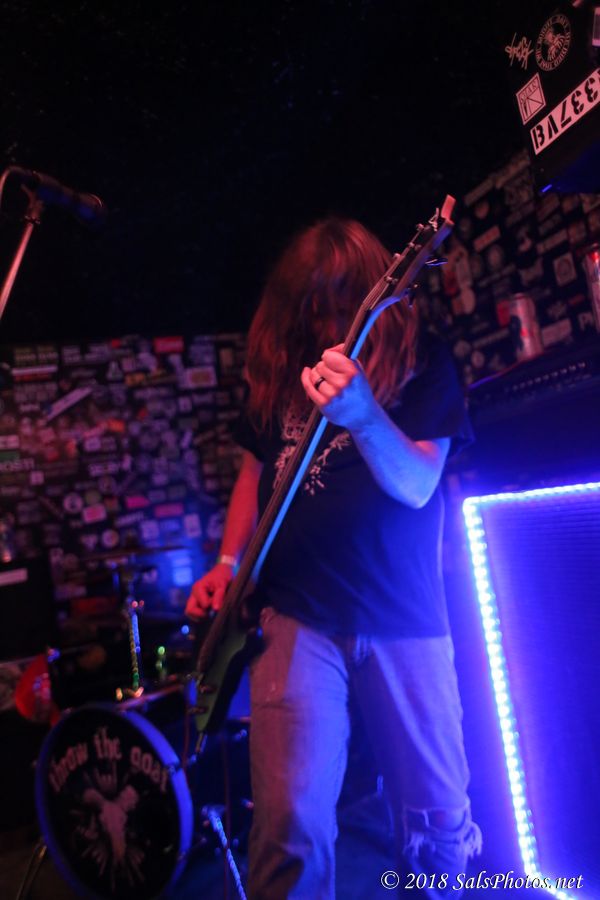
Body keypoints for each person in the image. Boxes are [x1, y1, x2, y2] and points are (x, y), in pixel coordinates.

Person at [186, 217, 481, 899]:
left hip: (402, 615)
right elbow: (253, 473)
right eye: (312, 303)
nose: (325, 319)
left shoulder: (423, 361)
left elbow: (418, 484)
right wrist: (227, 564)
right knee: (288, 824)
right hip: (294, 614)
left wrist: (364, 414)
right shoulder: (286, 372)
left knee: (435, 820)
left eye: (339, 300)